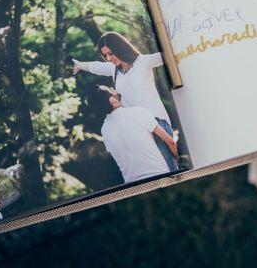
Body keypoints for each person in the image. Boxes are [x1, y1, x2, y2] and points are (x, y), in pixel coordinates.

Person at [73, 32, 178, 171]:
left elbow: (169, 54)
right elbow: (96, 66)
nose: (108, 58)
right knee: (156, 171)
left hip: (157, 124)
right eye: (105, 55)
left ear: (120, 48)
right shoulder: (114, 70)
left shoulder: (143, 62)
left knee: (171, 169)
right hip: (138, 129)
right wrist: (81, 65)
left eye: (111, 53)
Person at [87, 85, 178, 183]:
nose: (112, 88)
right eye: (110, 89)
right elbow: (170, 142)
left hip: (132, 185)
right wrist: (178, 162)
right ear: (112, 100)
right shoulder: (138, 112)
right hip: (159, 177)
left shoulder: (104, 130)